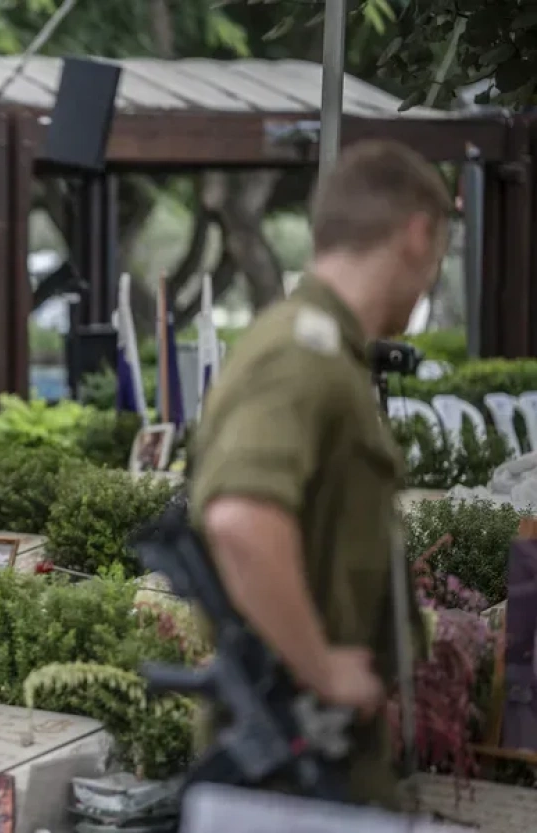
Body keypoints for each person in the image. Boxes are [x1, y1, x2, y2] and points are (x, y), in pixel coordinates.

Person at [188, 140, 448, 809]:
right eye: (439, 255)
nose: (430, 280)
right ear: (418, 235)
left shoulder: (327, 349)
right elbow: (241, 518)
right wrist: (323, 666)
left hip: (315, 754)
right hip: (293, 758)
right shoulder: (302, 351)